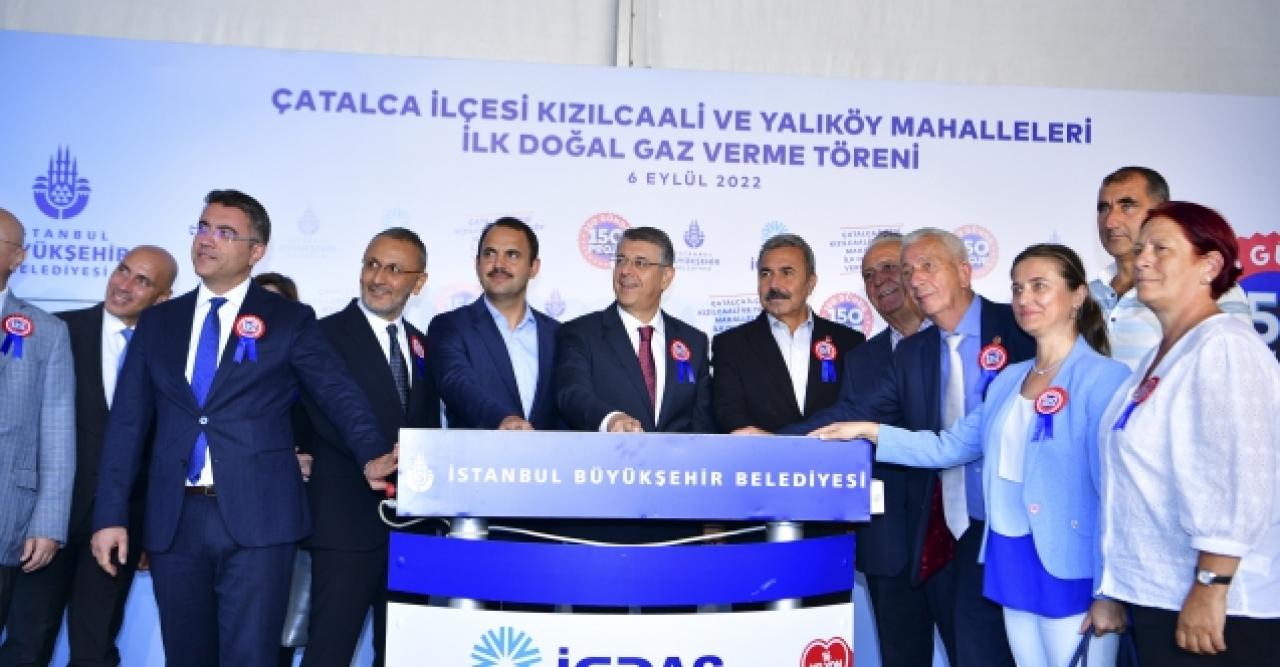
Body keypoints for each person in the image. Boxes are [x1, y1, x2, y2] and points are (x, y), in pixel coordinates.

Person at [89, 190, 397, 667]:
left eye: (225, 232)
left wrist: (372, 451)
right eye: (203, 227)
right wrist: (110, 514)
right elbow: (127, 425)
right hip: (175, 520)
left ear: (256, 252)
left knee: (251, 658)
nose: (207, 240)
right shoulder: (158, 322)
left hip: (259, 520)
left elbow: (337, 392)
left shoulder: (289, 319)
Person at [815, 244, 1131, 667]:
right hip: (1009, 561)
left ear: (1077, 296)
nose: (1024, 298)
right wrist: (870, 431)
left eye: (1039, 286)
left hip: (1073, 569)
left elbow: (1117, 494)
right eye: (1017, 288)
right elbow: (948, 446)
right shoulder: (1008, 380)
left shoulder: (1106, 378)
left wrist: (1109, 591)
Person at [783, 227, 1033, 667]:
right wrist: (772, 442)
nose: (914, 278)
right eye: (909, 269)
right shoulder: (914, 352)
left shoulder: (1018, 327)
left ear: (964, 271)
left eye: (927, 266)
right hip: (946, 537)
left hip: (1020, 533)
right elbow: (855, 410)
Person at [1098, 202, 1279, 665]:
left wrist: (1211, 585)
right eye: (1140, 248)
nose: (1141, 259)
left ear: (1210, 265)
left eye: (1161, 249)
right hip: (1161, 594)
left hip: (1220, 610)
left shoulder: (1224, 347)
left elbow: (1241, 479)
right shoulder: (1163, 353)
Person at [0, 245, 177, 666]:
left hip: (121, 526)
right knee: (27, 643)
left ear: (163, 297)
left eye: (142, 281)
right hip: (46, 521)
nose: (124, 285)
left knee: (95, 649)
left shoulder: (172, 353)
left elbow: (167, 445)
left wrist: (153, 531)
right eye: (122, 270)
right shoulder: (57, 329)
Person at [297, 228, 440, 667]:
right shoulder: (320, 335)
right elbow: (317, 414)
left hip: (412, 529)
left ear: (419, 282)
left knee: (400, 656)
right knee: (329, 652)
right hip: (344, 525)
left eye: (394, 269)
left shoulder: (423, 345)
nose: (378, 278)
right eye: (372, 264)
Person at [555, 226, 713, 435]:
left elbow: (701, 422)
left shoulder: (693, 341)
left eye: (640, 263)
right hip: (609, 454)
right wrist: (610, 420)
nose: (625, 271)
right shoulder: (581, 333)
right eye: (621, 260)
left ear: (666, 277)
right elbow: (572, 394)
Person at [1090, 166, 1251, 369]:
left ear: (1162, 210)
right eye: (1104, 208)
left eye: (1127, 206)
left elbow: (1236, 369)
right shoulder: (1084, 294)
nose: (1110, 222)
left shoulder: (1210, 287)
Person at [0, 208, 75, 631]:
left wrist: (48, 523)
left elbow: (58, 433)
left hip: (5, 511)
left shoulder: (45, 331)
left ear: (18, 258)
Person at [712, 233, 864, 434]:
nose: (774, 284)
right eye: (765, 274)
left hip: (833, 452)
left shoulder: (849, 342)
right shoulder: (730, 345)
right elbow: (728, 411)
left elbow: (857, 408)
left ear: (810, 283)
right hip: (760, 453)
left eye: (787, 272)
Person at [427, 217, 559, 430]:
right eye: (489, 254)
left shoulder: (558, 334)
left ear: (534, 267)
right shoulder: (450, 326)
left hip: (551, 453)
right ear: (477, 264)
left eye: (512, 255)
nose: (498, 264)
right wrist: (501, 419)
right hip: (475, 452)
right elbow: (457, 384)